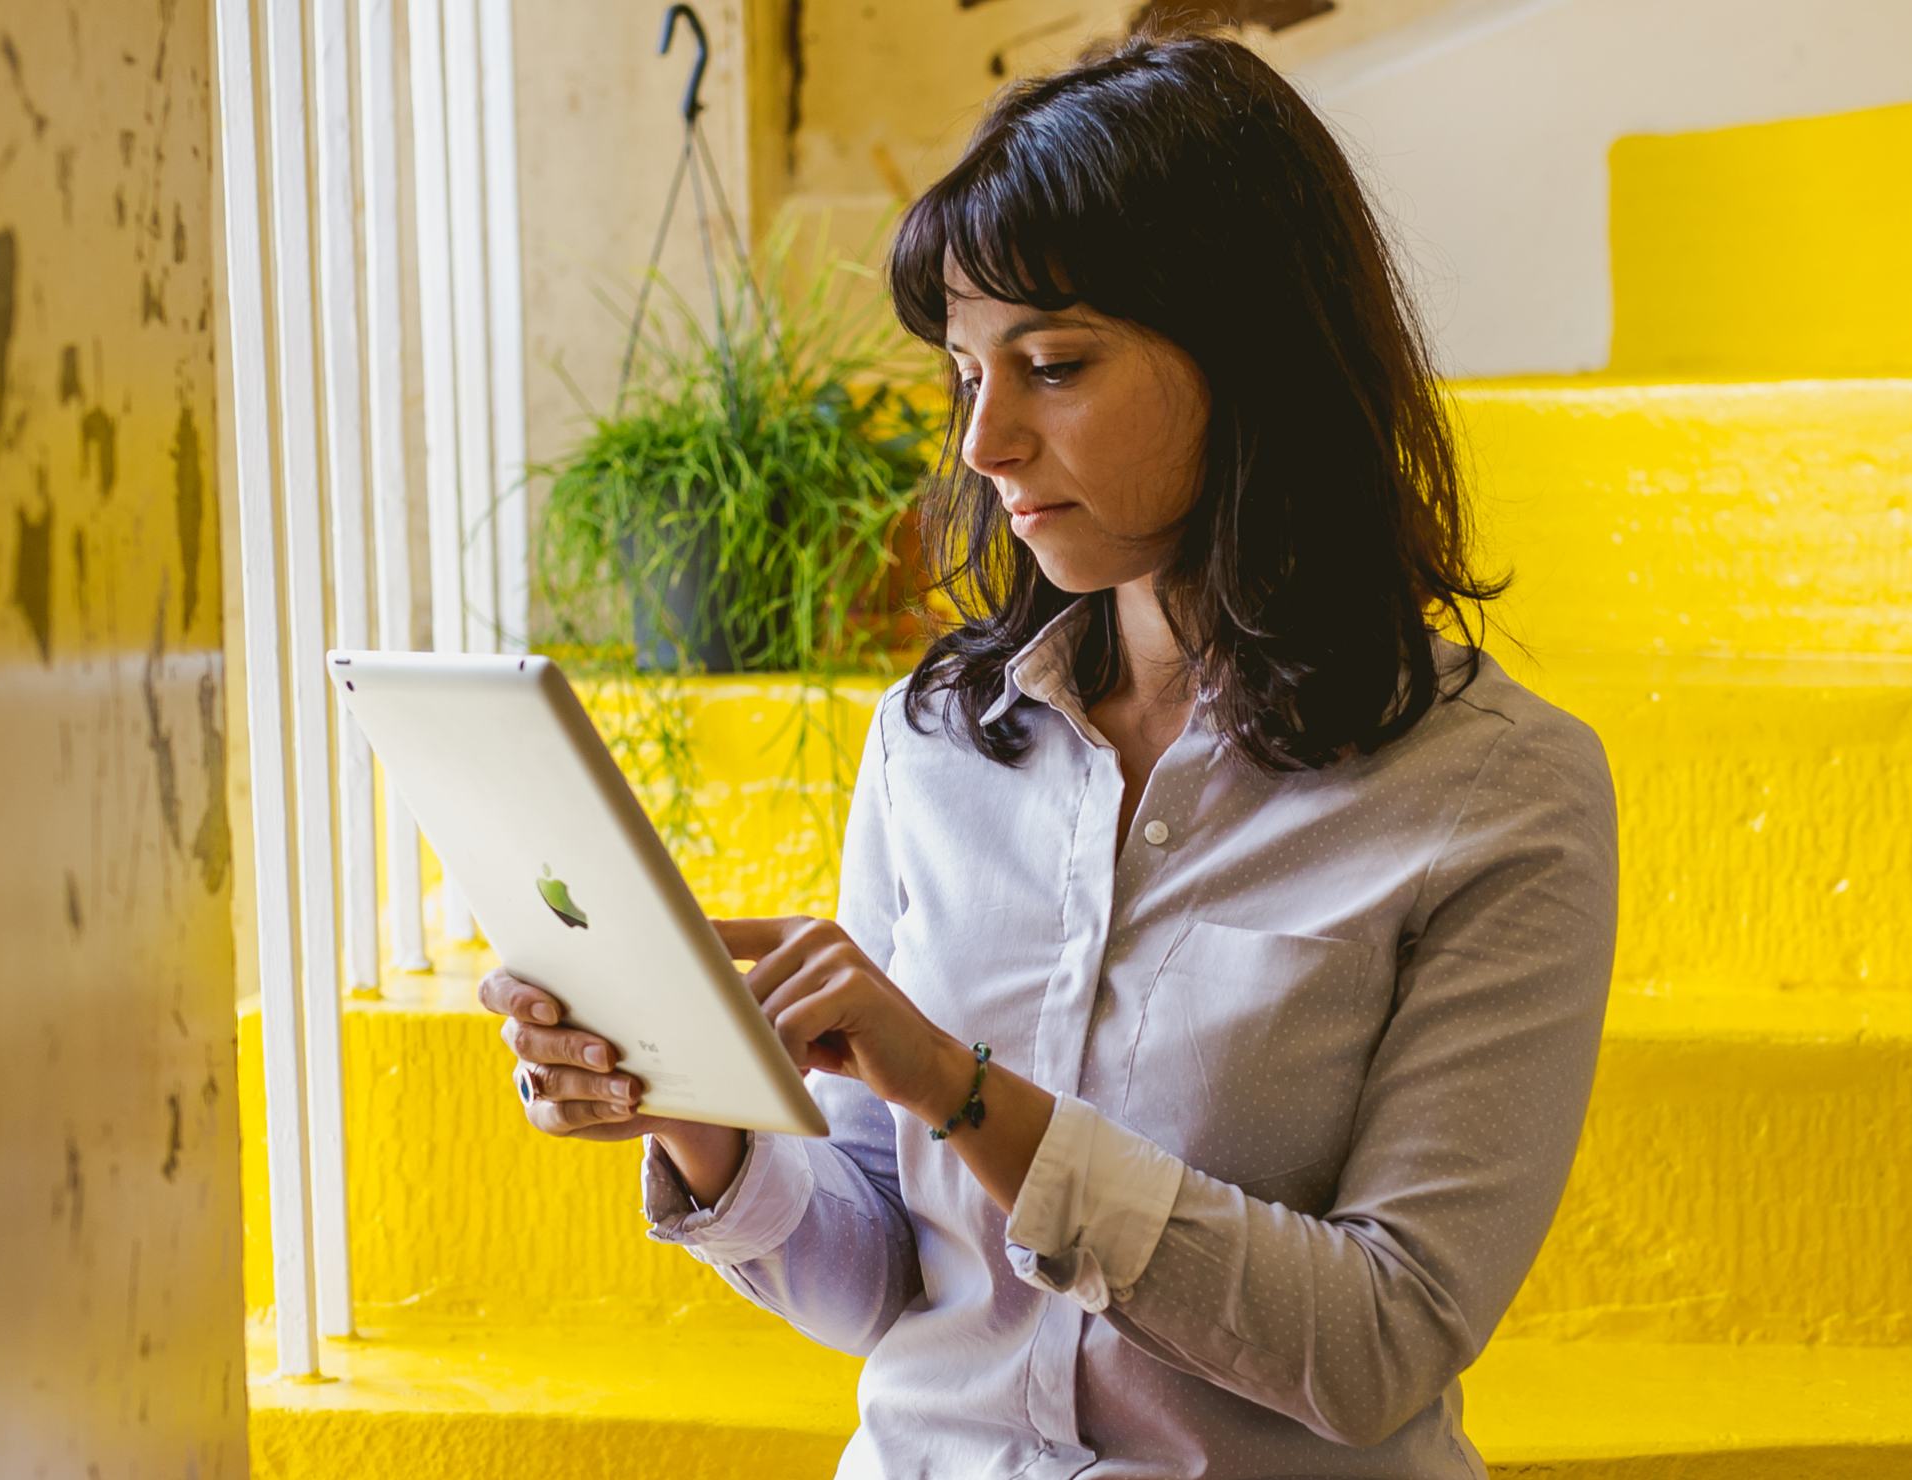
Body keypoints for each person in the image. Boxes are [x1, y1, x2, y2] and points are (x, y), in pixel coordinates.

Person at [478, 25, 1617, 1478]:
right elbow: (883, 1281)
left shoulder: (1495, 794)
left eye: (1056, 365)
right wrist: (701, 1110)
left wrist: (964, 1091)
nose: (986, 441)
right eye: (967, 372)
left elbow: (1381, 1341)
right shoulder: (935, 747)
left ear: (1255, 357)